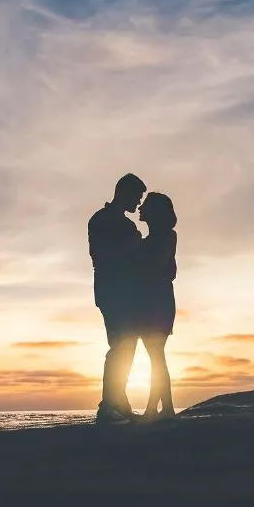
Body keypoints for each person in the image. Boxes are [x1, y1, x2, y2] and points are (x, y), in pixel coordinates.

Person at [88, 173, 146, 425]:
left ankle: (118, 402)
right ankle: (109, 405)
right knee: (119, 345)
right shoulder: (101, 220)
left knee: (127, 345)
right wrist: (132, 246)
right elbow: (100, 254)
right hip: (111, 292)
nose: (139, 203)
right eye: (137, 197)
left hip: (126, 293)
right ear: (124, 193)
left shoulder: (127, 225)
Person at [138, 192, 177, 422]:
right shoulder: (145, 241)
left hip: (158, 302)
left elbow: (158, 266)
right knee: (156, 356)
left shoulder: (167, 236)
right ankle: (166, 407)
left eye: (146, 205)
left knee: (156, 356)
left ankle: (155, 408)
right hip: (149, 301)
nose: (140, 208)